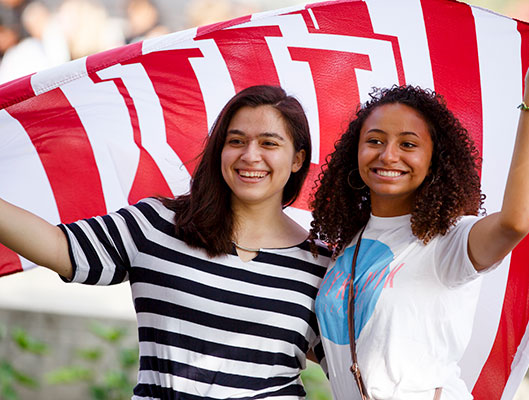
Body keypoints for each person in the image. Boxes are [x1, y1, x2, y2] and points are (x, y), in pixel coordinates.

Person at [0, 85, 330, 399]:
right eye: (236, 141)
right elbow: (60, 246)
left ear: (298, 159)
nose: (250, 155)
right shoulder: (159, 225)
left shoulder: (321, 266)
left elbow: (350, 362)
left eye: (269, 144)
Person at [310, 28, 529, 400]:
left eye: (408, 144)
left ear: (435, 161)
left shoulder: (448, 240)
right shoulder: (348, 247)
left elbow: (516, 220)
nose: (388, 155)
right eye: (374, 141)